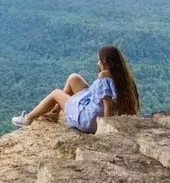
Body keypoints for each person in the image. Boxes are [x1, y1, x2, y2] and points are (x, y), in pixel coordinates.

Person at [11, 45, 141, 133]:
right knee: (74, 78)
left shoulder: (104, 78)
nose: (97, 63)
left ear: (105, 62)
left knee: (56, 93)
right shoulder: (123, 78)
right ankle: (55, 113)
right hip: (93, 107)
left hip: (88, 119)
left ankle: (28, 118)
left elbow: (108, 106)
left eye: (99, 60)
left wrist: (105, 128)